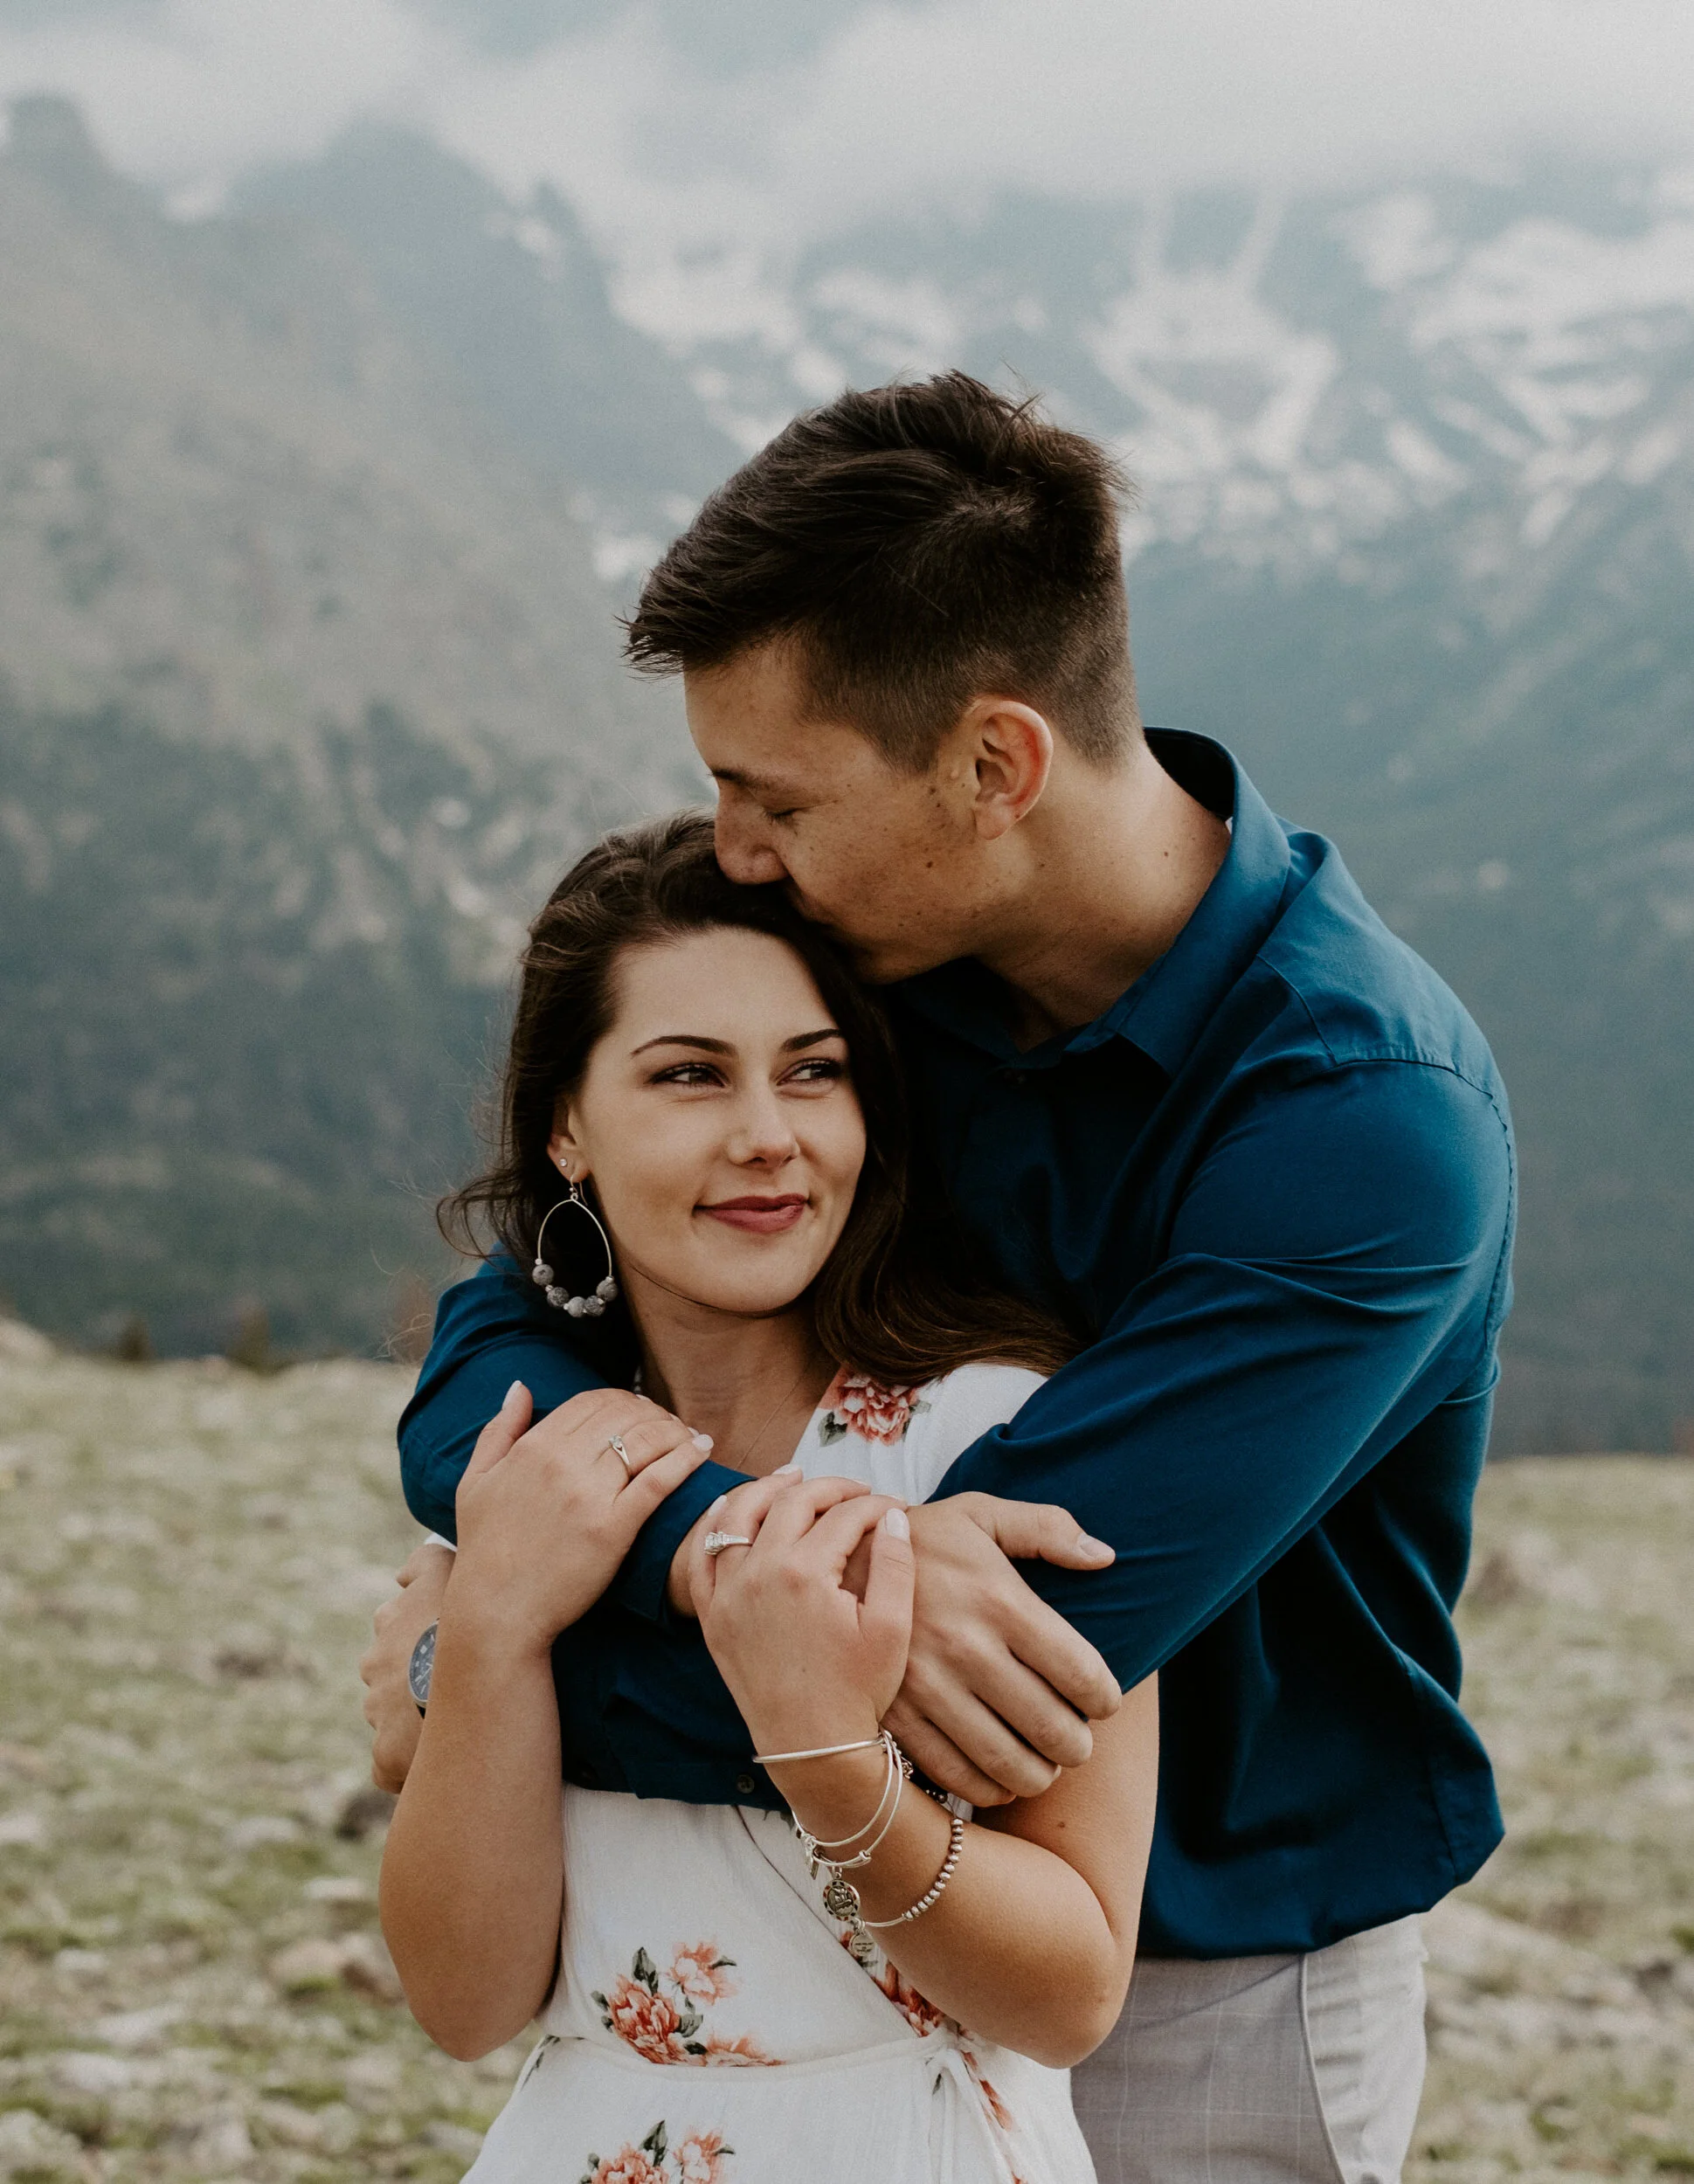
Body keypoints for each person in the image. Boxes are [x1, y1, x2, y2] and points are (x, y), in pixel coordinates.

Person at [366, 373, 1515, 2184]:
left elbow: (965, 1669)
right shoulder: (876, 962)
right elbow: (504, 1338)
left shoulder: (1364, 1126)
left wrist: (479, 1668)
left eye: (775, 796)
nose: (739, 853)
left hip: (1214, 1974)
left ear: (996, 766)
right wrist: (680, 1547)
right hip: (791, 1955)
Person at [378, 812, 1157, 2183]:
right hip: (580, 2141)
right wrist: (491, 1625)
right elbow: (465, 2003)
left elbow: (1069, 1998)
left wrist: (819, 1738)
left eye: (814, 1074)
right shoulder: (534, 1474)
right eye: (688, 1076)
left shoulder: (996, 1441)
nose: (766, 1138)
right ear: (567, 1124)